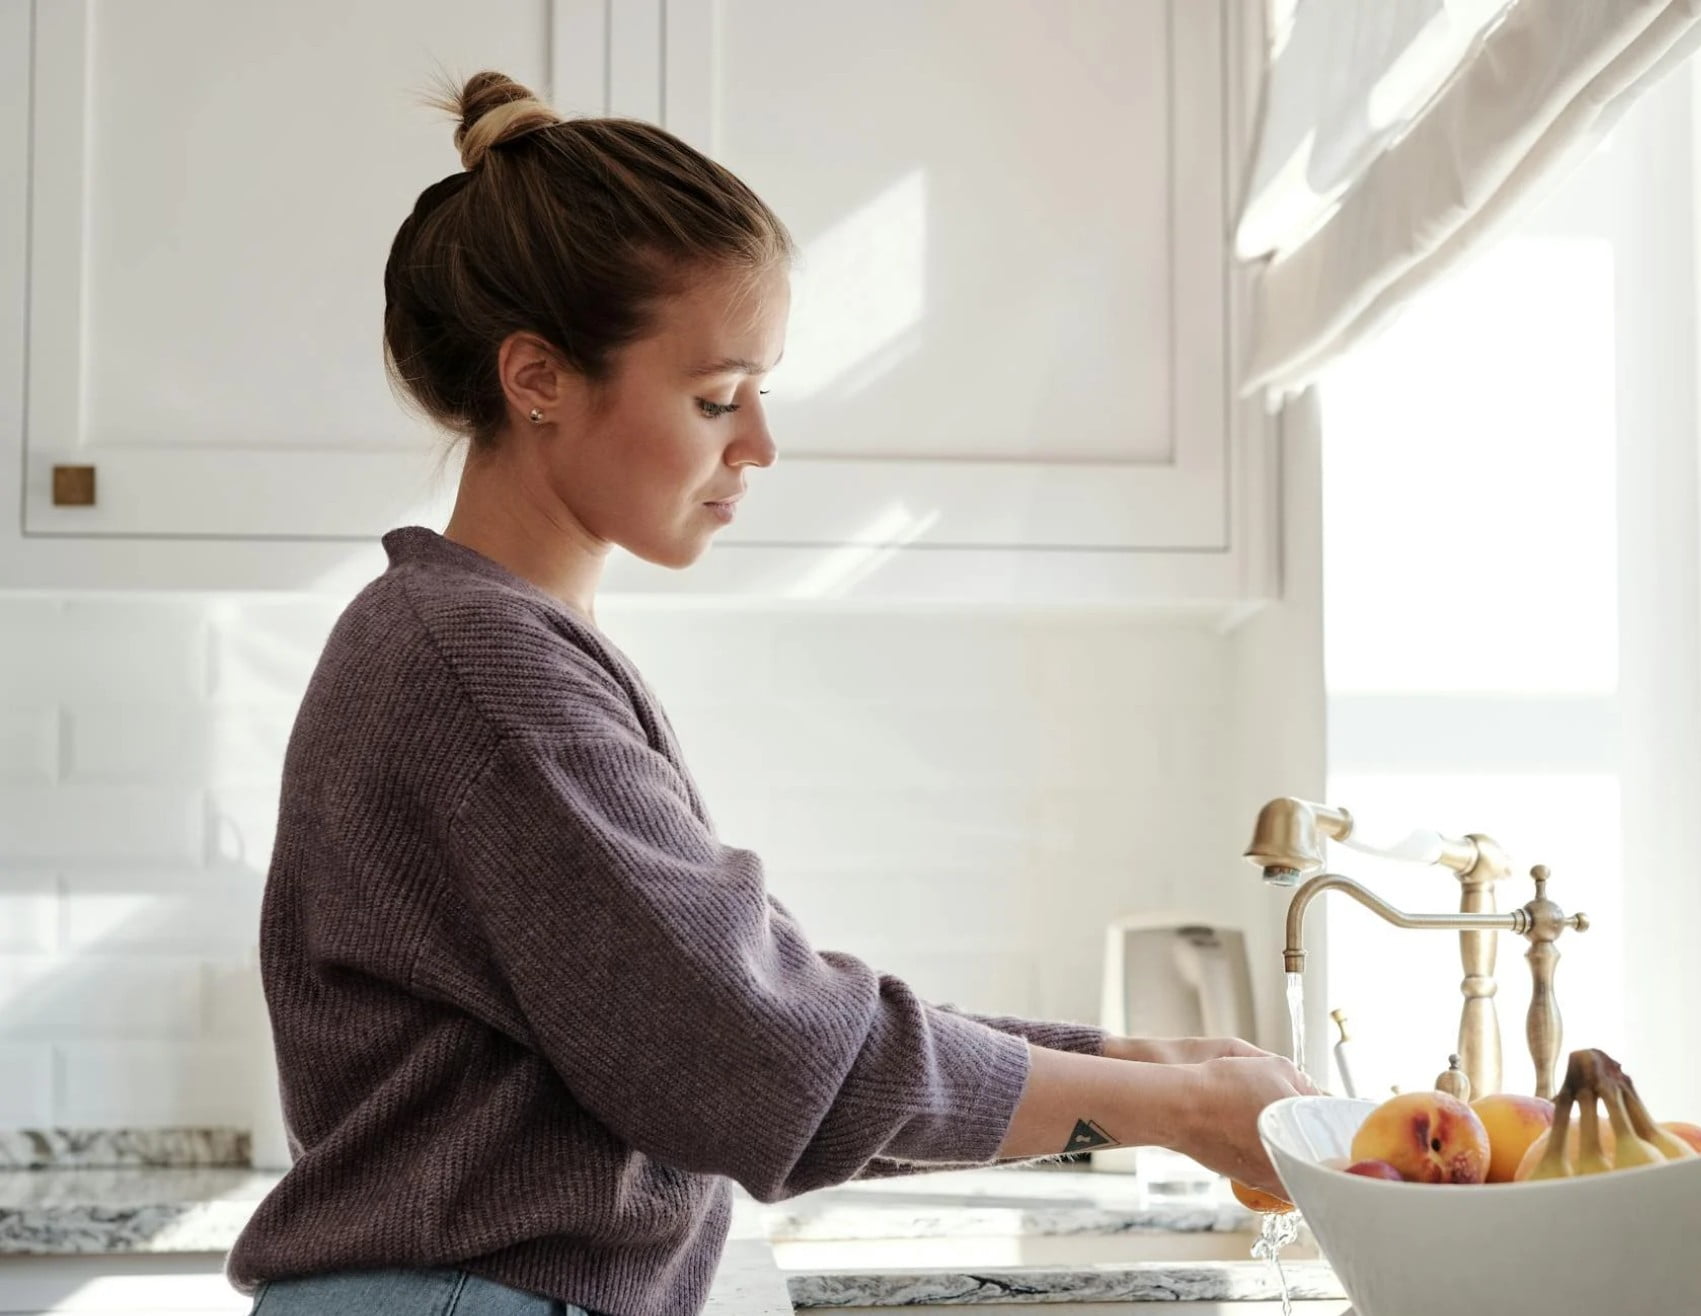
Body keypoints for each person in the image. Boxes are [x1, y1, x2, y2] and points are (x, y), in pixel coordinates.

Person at [224, 71, 1314, 1316]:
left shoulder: (482, 639)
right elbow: (767, 1059)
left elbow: (765, 1026)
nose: (758, 443)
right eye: (712, 397)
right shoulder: (483, 661)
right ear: (536, 378)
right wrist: (1167, 1105)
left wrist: (1143, 1062)